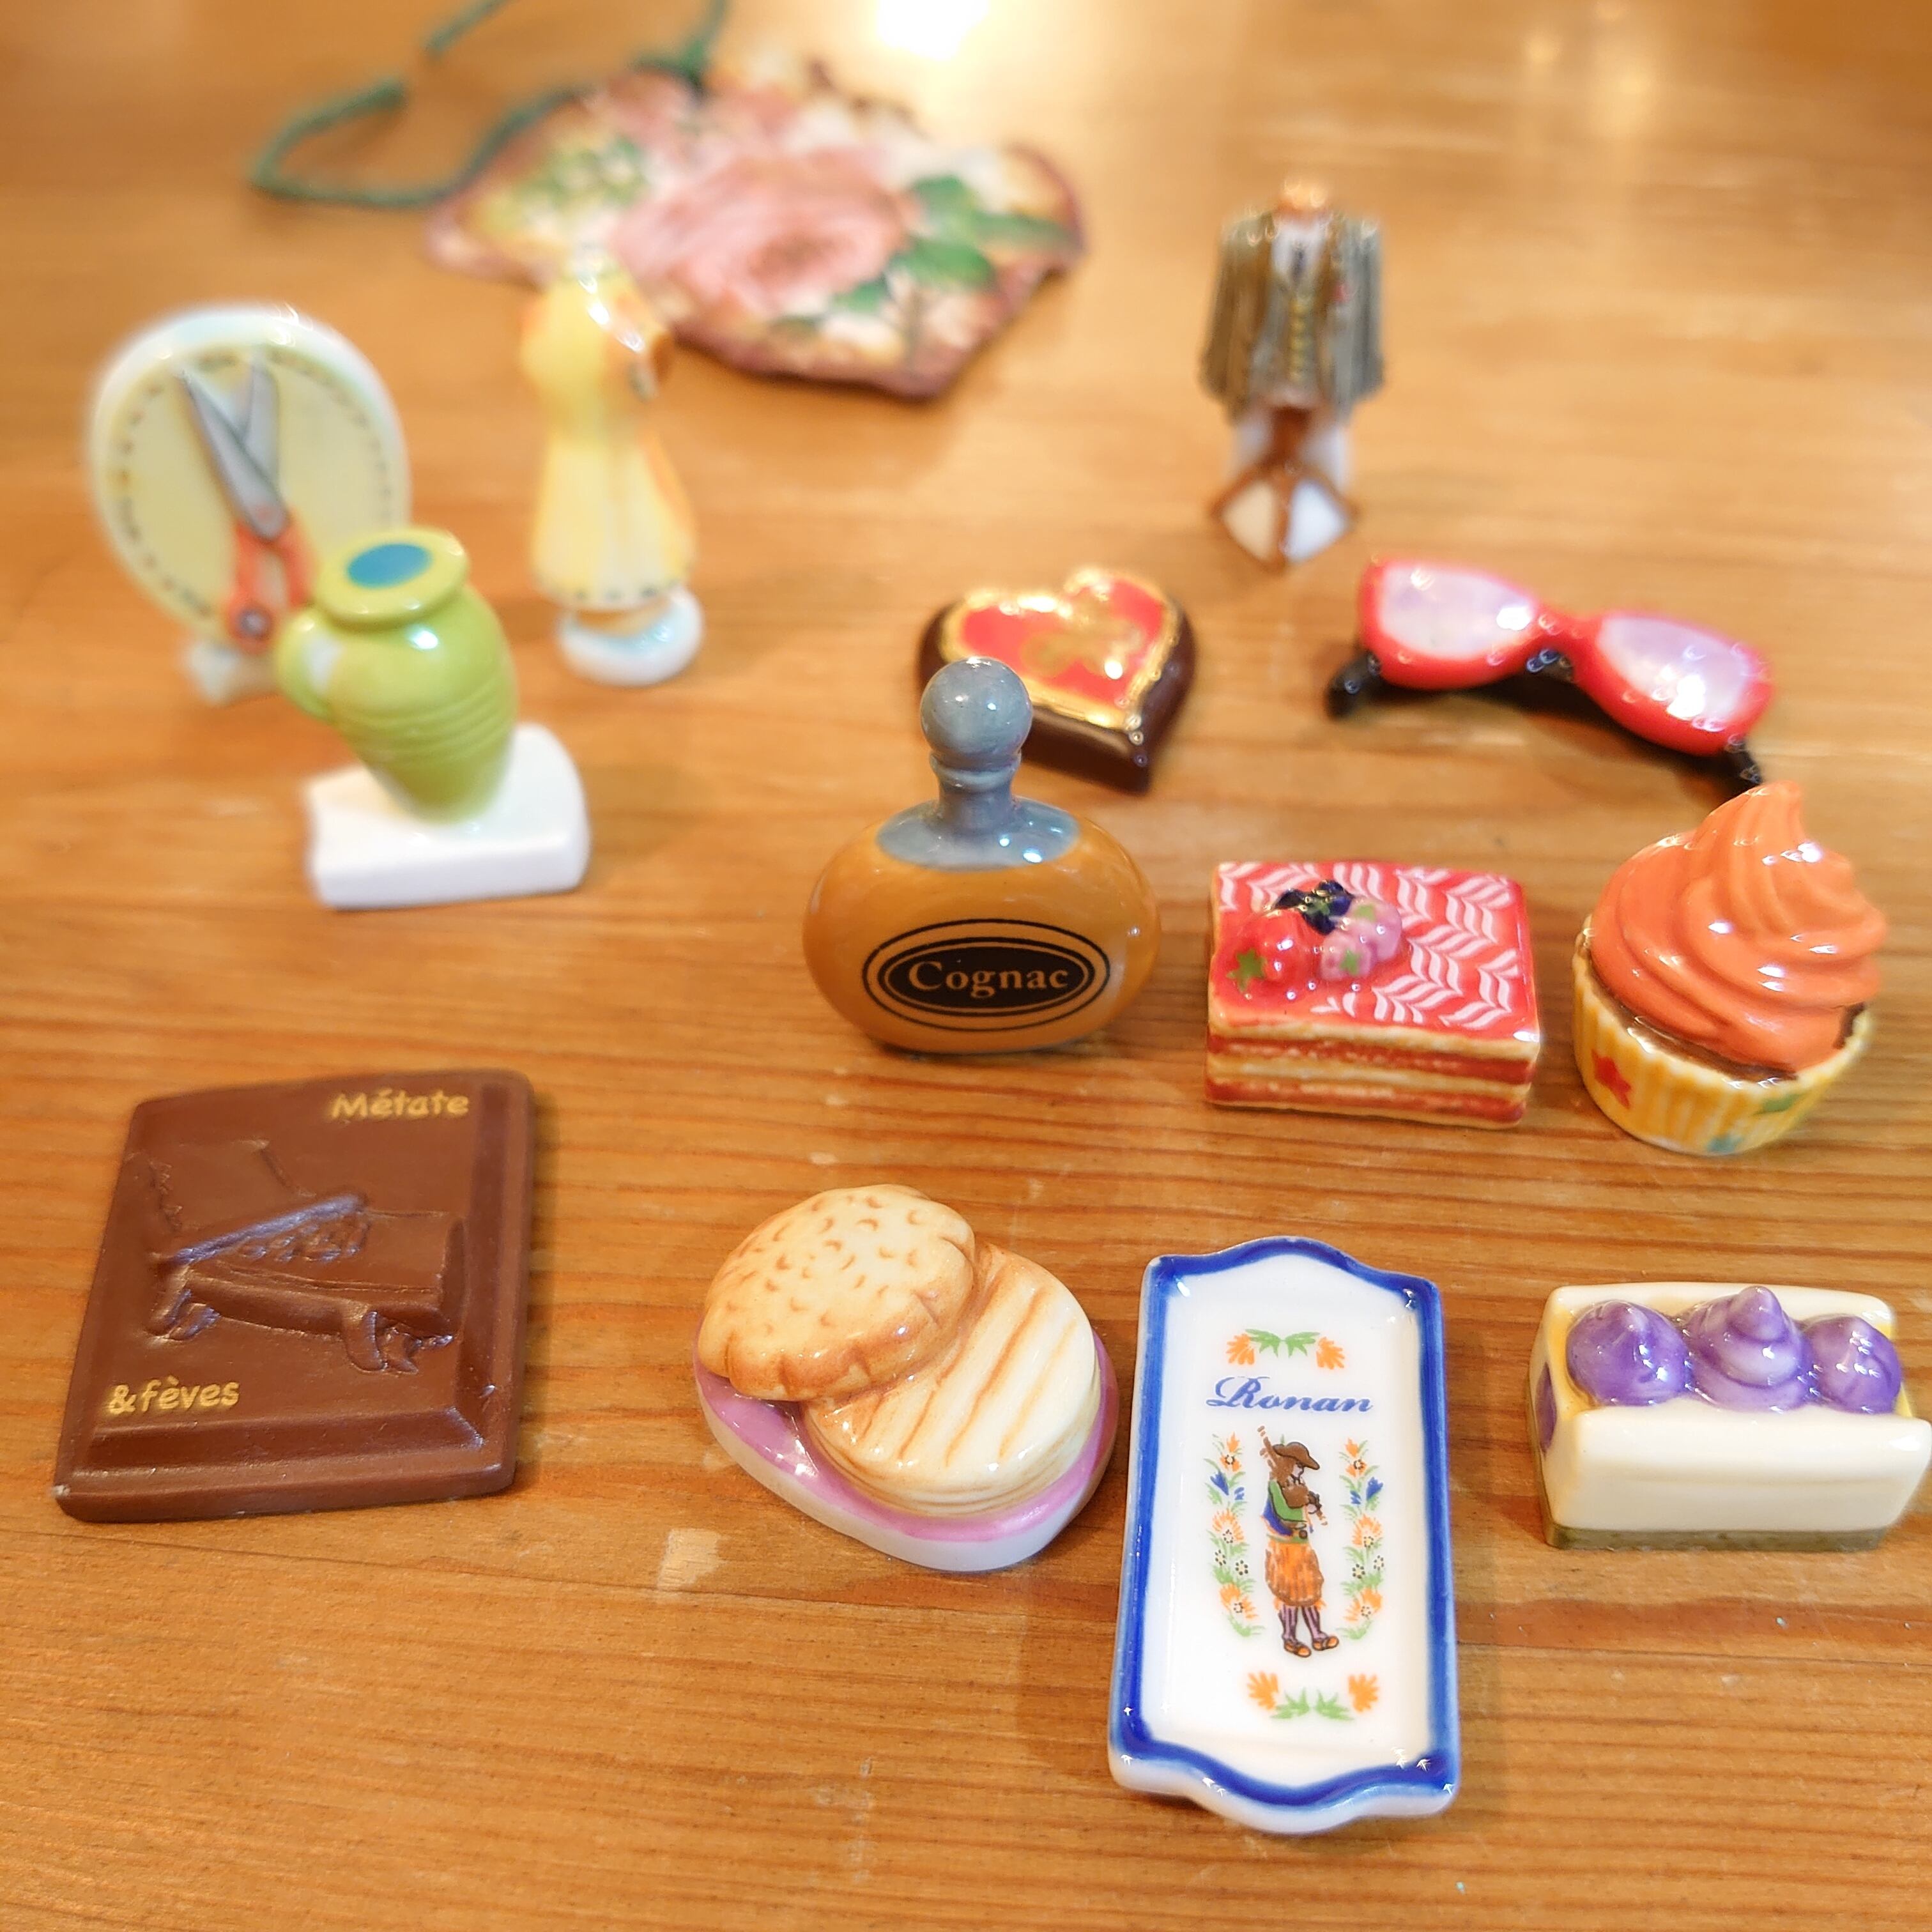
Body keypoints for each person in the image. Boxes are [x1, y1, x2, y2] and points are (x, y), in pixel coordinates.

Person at [1200, 182, 1383, 568]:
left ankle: (1328, 498)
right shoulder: (1244, 240)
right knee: (1250, 432)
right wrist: (1221, 368)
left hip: (1323, 375)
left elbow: (1368, 317)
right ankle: (1242, 491)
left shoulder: (1357, 243)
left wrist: (1361, 373)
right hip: (1262, 372)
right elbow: (1226, 308)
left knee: (1327, 435)